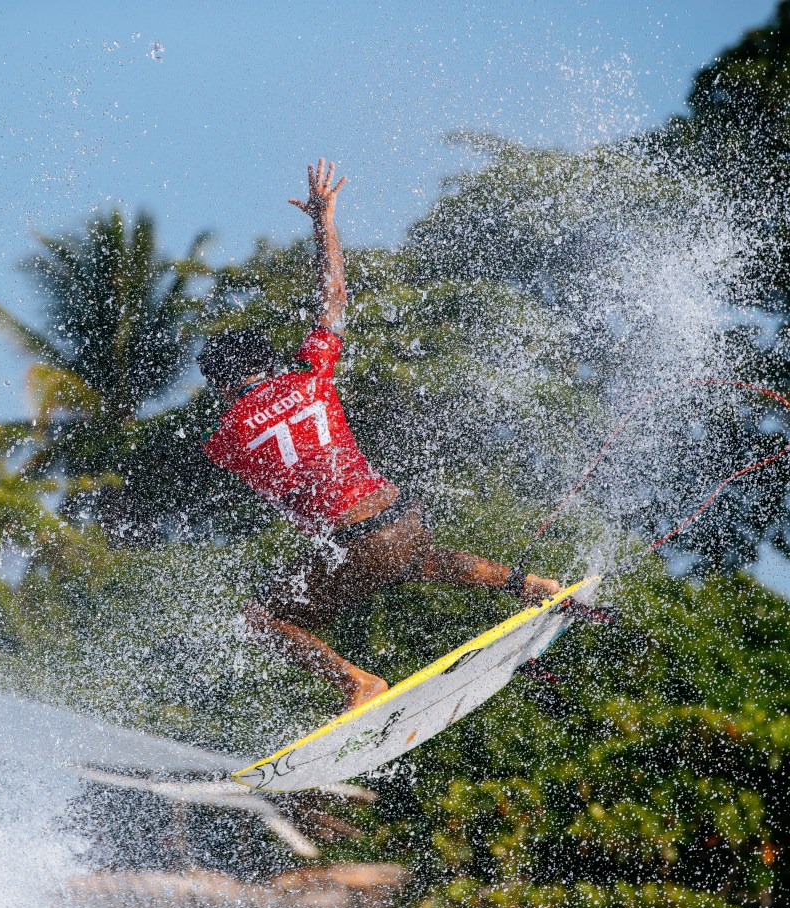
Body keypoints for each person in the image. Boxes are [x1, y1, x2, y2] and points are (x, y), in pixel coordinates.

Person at [199, 158, 562, 712]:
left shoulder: (226, 435)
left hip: (354, 544)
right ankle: (529, 584)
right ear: (269, 361)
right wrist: (323, 222)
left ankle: (357, 682)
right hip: (403, 517)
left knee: (259, 617)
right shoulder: (312, 375)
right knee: (420, 560)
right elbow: (335, 296)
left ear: (224, 387)